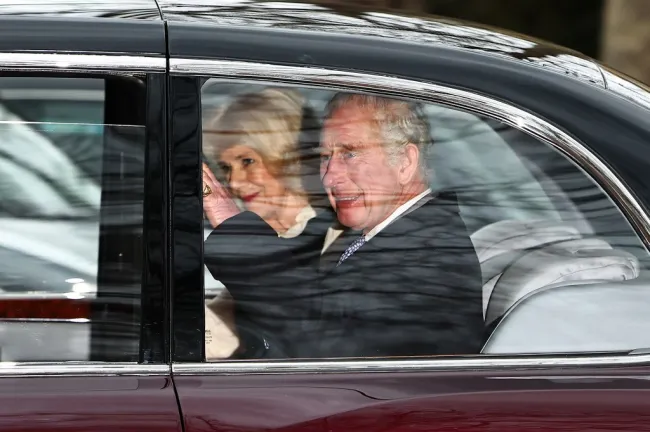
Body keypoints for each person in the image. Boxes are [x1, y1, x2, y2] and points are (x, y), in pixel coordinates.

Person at [204, 92, 484, 359]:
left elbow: (318, 339)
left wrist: (227, 218)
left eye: (350, 153)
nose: (328, 177)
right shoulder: (381, 238)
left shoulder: (430, 255)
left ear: (405, 163)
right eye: (326, 157)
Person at [201, 87, 333, 359]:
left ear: (286, 156)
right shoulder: (276, 235)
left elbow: (292, 326)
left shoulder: (330, 239)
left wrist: (229, 224)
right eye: (226, 168)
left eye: (247, 161)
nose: (234, 183)